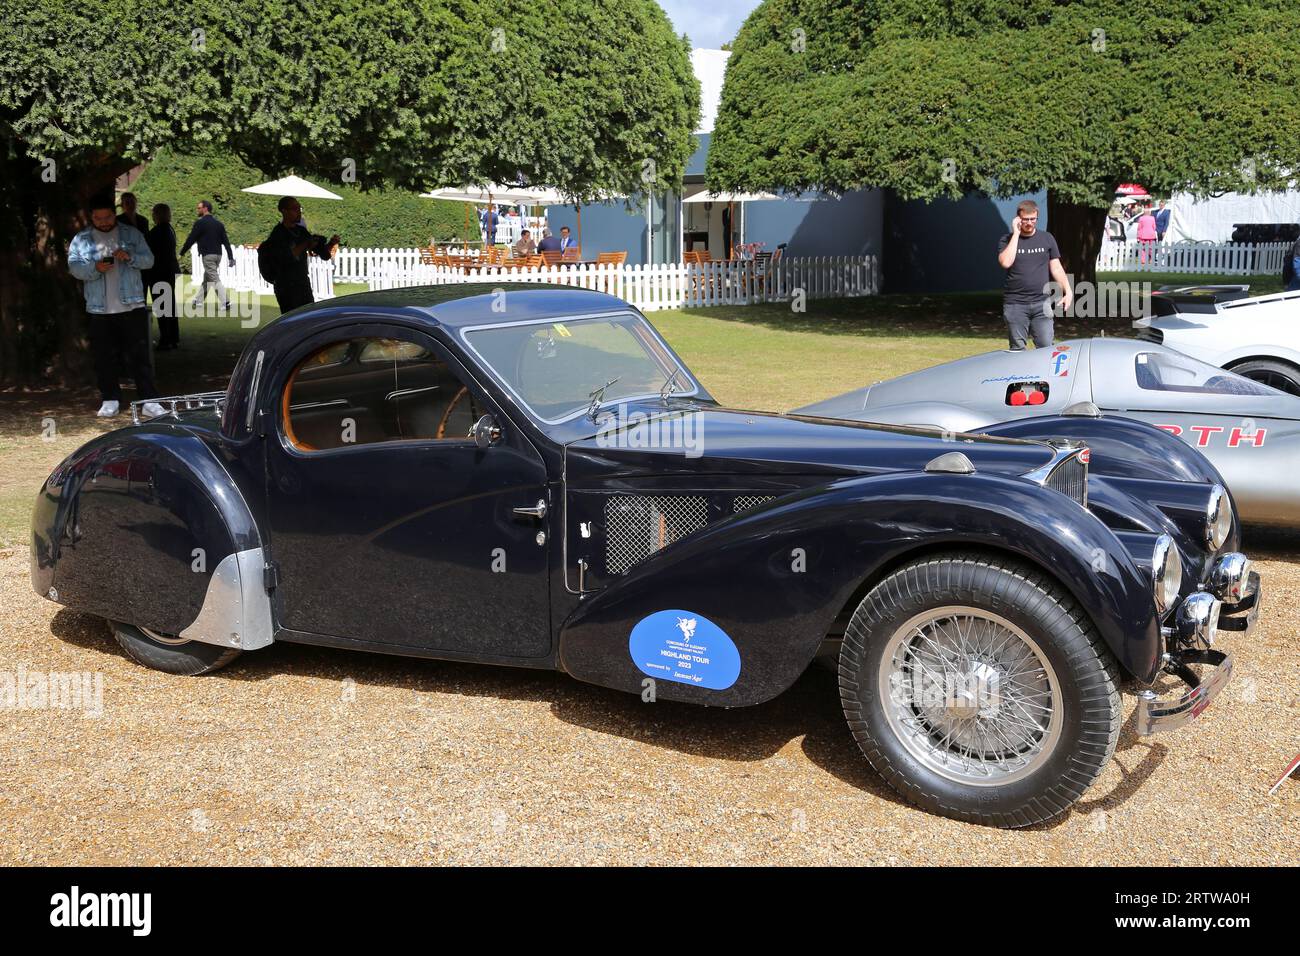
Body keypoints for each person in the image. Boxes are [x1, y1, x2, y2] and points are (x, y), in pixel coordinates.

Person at [66, 199, 163, 418]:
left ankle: (149, 400)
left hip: (132, 305)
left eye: (108, 217)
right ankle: (110, 399)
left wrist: (130, 257)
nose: (103, 222)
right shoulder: (81, 240)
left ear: (114, 214)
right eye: (98, 218)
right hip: (99, 309)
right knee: (104, 357)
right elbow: (74, 267)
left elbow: (149, 260)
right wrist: (95, 267)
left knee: (139, 356)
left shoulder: (132, 235)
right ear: (91, 217)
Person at [995, 199, 1071, 350]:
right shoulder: (1007, 240)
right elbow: (1005, 262)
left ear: (1037, 218)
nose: (1029, 223)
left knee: (1046, 347)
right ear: (1018, 219)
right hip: (1015, 304)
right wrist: (1016, 234)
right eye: (1025, 219)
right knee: (1017, 350)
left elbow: (1056, 268)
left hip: (1042, 304)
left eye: (1033, 219)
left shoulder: (1047, 238)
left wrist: (1068, 291)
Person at [258, 196, 339, 314]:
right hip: (286, 286)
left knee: (308, 317)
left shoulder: (301, 231)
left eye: (299, 208)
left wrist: (331, 243)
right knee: (292, 320)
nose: (299, 212)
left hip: (303, 283)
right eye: (295, 209)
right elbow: (286, 257)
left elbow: (325, 255)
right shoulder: (278, 235)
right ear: (284, 211)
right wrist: (306, 243)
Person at [179, 200, 235, 312]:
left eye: (199, 208)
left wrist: (181, 252)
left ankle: (226, 302)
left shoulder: (200, 223)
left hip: (208, 255)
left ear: (205, 208)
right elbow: (226, 242)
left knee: (213, 278)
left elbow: (191, 239)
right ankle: (198, 300)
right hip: (218, 255)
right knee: (208, 278)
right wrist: (230, 257)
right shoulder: (219, 224)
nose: (197, 210)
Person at [144, 203, 182, 349]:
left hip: (159, 272)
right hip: (168, 271)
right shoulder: (169, 230)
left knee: (162, 306)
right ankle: (173, 337)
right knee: (169, 305)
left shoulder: (157, 231)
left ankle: (166, 338)